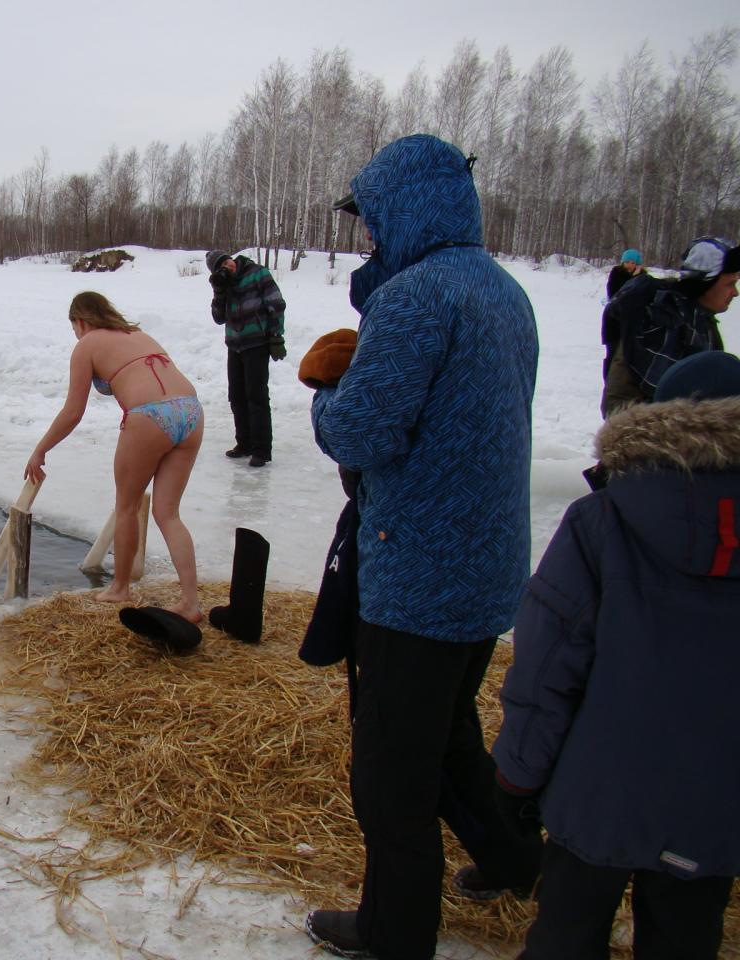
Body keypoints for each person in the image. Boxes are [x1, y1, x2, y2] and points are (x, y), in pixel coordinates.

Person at [304, 134, 542, 959]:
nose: (367, 235)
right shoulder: (502, 290)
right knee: (446, 740)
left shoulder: (416, 298)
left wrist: (327, 391)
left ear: (406, 209)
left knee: (390, 773)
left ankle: (394, 933)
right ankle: (516, 862)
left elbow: (360, 434)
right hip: (485, 568)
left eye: (372, 219)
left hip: (419, 579)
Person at [494, 349, 740, 960]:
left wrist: (518, 773)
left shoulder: (602, 520)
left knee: (566, 935)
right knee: (688, 936)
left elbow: (548, 664)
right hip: (717, 800)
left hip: (598, 790)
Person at [25, 291, 202, 621]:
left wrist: (41, 448)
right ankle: (191, 603)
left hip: (150, 416)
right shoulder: (138, 334)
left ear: (81, 321)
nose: (76, 335)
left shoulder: (87, 345)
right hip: (191, 411)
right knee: (168, 514)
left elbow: (73, 411)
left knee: (127, 507)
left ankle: (120, 587)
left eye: (74, 328)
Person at [600, 236, 735, 417]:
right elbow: (623, 402)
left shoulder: (697, 319)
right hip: (646, 430)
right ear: (706, 283)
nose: (735, 292)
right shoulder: (664, 322)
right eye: (730, 284)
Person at [205, 249, 286, 467]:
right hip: (235, 346)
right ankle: (244, 444)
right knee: (236, 396)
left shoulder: (257, 273)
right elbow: (218, 318)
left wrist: (276, 335)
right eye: (221, 267)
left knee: (256, 395)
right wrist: (219, 290)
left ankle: (261, 450)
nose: (227, 266)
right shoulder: (224, 283)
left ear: (232, 259)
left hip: (257, 343)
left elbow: (276, 303)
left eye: (227, 261)